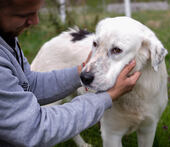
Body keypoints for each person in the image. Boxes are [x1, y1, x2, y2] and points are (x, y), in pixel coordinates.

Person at [0, 0, 141, 146]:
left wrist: (80, 73)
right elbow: (33, 129)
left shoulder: (7, 37)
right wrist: (107, 97)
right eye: (24, 15)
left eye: (37, 12)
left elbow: (28, 85)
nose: (36, 21)